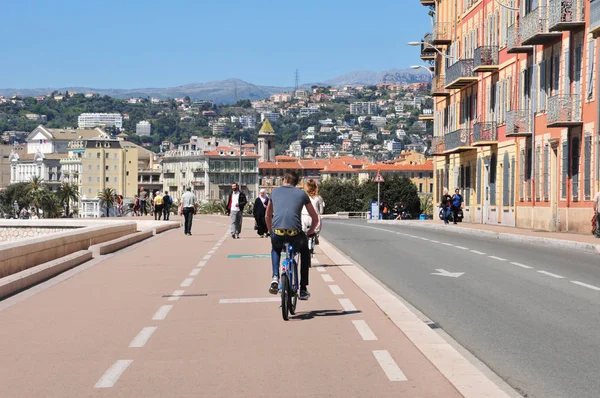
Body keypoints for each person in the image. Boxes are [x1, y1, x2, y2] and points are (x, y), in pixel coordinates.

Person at [266, 170, 319, 300]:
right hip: (295, 234)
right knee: (305, 253)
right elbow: (315, 217)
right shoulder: (302, 194)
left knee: (276, 248)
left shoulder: (275, 192)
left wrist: (270, 231)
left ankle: (275, 277)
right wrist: (310, 231)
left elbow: (267, 215)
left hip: (278, 232)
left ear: (284, 180)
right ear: (296, 183)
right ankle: (303, 288)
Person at [301, 179, 324, 244]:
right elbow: (321, 211)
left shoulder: (303, 196)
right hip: (314, 219)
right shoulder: (319, 198)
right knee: (315, 230)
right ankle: (316, 236)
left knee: (302, 233)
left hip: (304, 218)